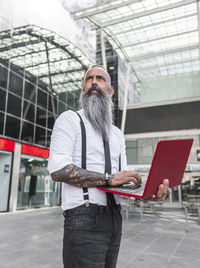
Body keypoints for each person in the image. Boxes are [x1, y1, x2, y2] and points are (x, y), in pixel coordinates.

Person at [48, 65, 170, 268]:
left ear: (110, 91)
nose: (94, 82)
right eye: (89, 79)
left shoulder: (116, 134)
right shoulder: (70, 120)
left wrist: (149, 192)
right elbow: (58, 169)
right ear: (83, 88)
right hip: (83, 218)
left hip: (114, 220)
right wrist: (108, 178)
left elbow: (121, 181)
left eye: (100, 79)